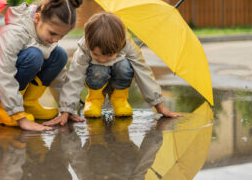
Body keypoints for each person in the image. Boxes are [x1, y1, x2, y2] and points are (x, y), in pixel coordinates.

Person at [0, 0, 83, 131]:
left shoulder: (44, 33)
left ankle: (28, 103)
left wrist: (67, 109)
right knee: (34, 56)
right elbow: (4, 73)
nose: (56, 39)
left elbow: (59, 77)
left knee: (60, 55)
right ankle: (5, 109)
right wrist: (19, 117)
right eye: (53, 33)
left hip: (12, 77)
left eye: (62, 36)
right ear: (37, 18)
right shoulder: (13, 33)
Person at [44, 12, 181, 126]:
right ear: (88, 42)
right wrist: (66, 110)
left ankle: (119, 99)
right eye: (96, 54)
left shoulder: (127, 45)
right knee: (99, 68)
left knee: (124, 65)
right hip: (95, 80)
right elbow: (75, 77)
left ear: (120, 45)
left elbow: (143, 73)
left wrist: (159, 106)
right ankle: (94, 100)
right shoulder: (85, 46)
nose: (102, 59)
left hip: (119, 82)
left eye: (109, 55)